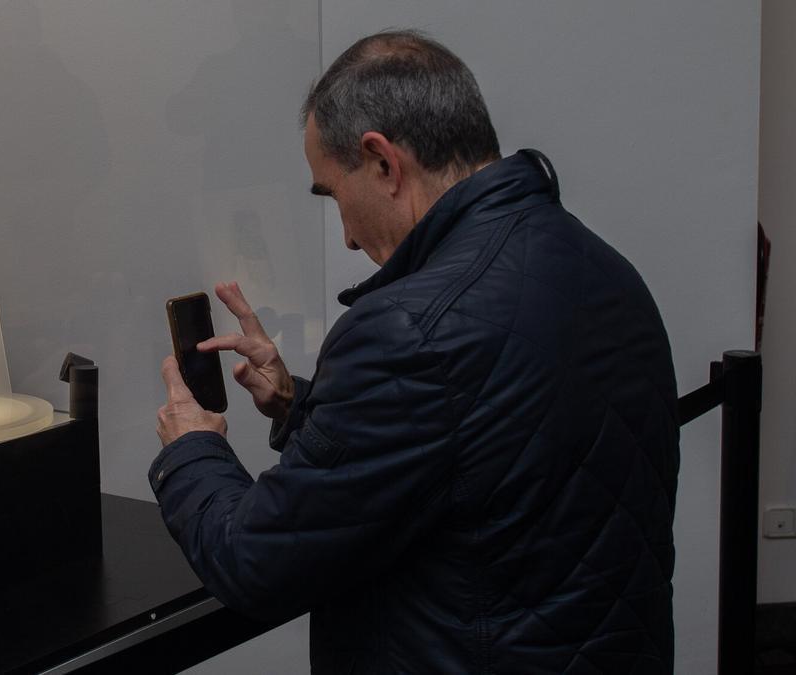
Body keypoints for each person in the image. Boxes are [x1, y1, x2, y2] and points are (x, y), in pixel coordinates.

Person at [150, 30, 679, 674]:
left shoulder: (411, 331)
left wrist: (191, 447)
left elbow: (254, 564)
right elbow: (483, 450)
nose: (345, 236)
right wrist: (297, 402)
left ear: (382, 162)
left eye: (334, 196)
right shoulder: (602, 264)